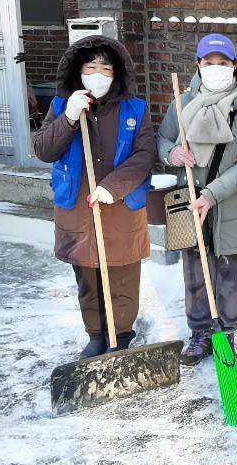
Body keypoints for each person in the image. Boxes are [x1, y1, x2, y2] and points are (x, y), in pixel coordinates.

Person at [33, 35, 157, 359]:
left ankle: (122, 335)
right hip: (78, 209)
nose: (98, 74)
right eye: (91, 66)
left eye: (106, 68)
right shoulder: (62, 106)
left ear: (117, 74)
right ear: (79, 70)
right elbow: (44, 150)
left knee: (123, 275)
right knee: (88, 275)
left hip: (120, 207)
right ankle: (97, 334)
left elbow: (145, 156)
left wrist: (113, 186)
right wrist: (70, 117)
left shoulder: (135, 108)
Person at [157, 33, 237, 365]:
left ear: (234, 65)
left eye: (223, 63)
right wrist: (171, 153)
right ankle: (201, 331)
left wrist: (211, 195)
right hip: (191, 200)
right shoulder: (183, 102)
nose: (216, 68)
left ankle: (227, 332)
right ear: (198, 65)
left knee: (231, 275)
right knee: (195, 270)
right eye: (209, 63)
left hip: (231, 203)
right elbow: (162, 138)